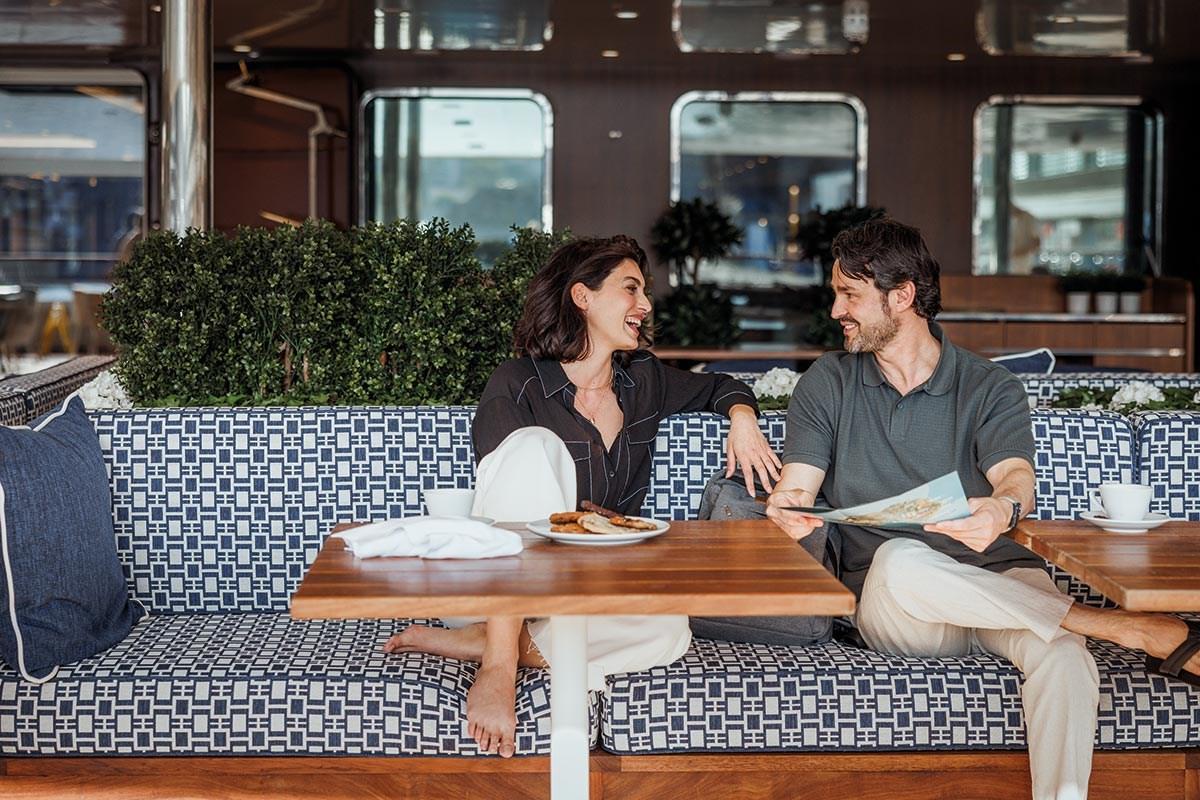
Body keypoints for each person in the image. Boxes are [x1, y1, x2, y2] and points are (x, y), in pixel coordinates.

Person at [765, 217, 1200, 800]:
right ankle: (1123, 627)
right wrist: (787, 506)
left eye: (849, 295)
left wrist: (1000, 510)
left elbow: (1015, 477)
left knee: (1066, 658)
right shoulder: (829, 381)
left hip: (1001, 578)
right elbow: (798, 485)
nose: (836, 310)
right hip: (902, 605)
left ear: (902, 296)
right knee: (900, 558)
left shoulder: (988, 385)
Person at [383, 234, 782, 758]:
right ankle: (498, 659)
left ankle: (481, 643)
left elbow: (721, 386)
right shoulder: (518, 383)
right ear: (583, 297)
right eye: (631, 289)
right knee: (532, 446)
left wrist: (743, 419)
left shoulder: (643, 381)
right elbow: (505, 505)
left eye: (644, 292)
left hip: (583, 595)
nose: (645, 305)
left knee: (670, 630)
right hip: (502, 585)